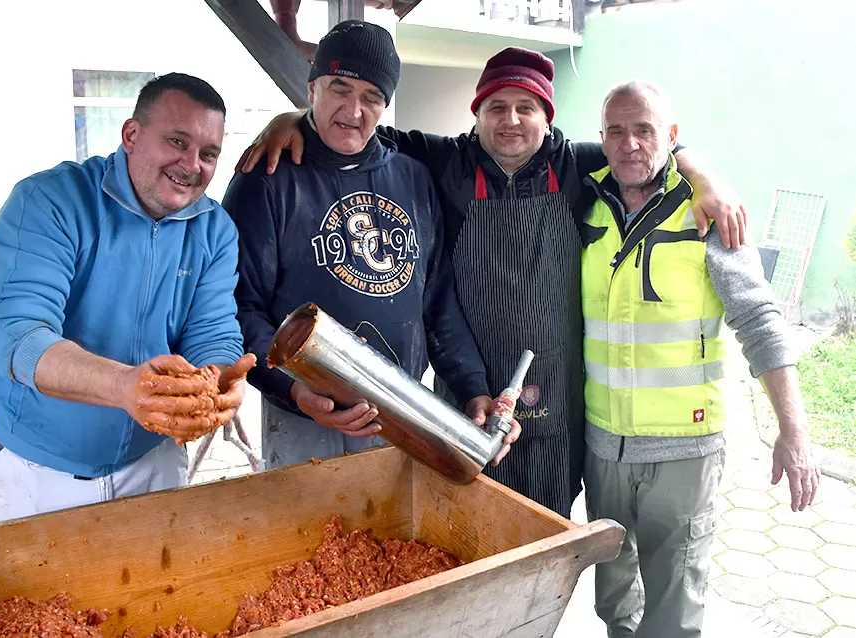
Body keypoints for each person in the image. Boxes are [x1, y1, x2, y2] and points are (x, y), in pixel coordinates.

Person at [235, 47, 746, 518]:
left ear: (549, 118)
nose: (511, 120)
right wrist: (288, 121)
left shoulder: (581, 165)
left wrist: (704, 178)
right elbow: (356, 132)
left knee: (543, 527)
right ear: (476, 117)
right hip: (466, 389)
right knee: (457, 517)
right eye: (496, 107)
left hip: (556, 397)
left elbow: (649, 147)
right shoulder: (445, 161)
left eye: (527, 107)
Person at [223, 21, 518, 470]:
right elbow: (241, 307)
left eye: (372, 97)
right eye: (340, 89)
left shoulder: (412, 178)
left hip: (400, 417)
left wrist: (473, 388)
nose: (354, 110)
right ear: (312, 88)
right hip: (303, 422)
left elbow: (437, 303)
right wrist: (295, 391)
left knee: (391, 540)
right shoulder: (268, 178)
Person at [582, 80, 820, 638]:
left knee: (673, 612)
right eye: (616, 131)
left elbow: (760, 320)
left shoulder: (708, 215)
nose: (630, 144)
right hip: (603, 446)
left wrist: (794, 430)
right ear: (602, 139)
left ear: (672, 137)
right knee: (614, 599)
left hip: (683, 454)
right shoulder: (585, 199)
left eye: (645, 130)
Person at [0, 73, 256, 524]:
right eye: (176, 141)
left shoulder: (215, 228)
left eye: (209, 154)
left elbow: (214, 331)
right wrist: (124, 387)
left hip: (154, 463)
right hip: (38, 470)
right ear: (131, 134)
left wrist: (220, 380)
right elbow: (16, 337)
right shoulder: (49, 201)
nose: (192, 165)